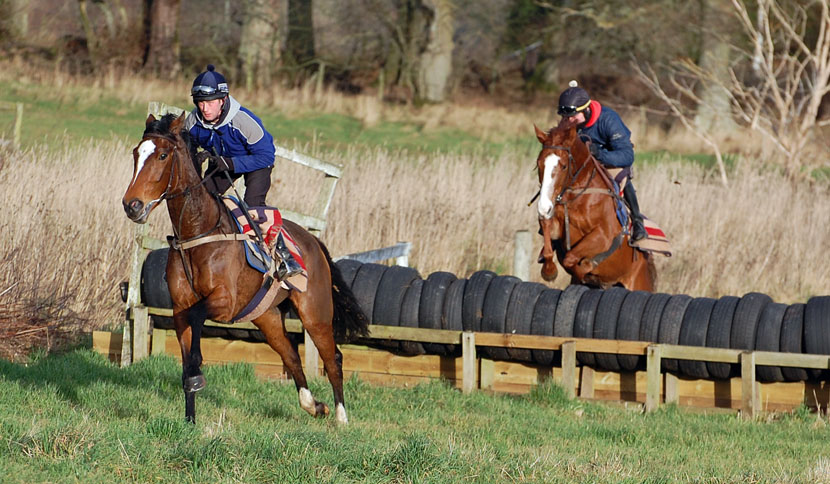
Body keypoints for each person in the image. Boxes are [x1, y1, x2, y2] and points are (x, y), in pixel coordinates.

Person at [186, 64, 302, 278]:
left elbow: (266, 156)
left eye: (210, 102)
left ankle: (286, 257)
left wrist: (231, 164)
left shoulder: (244, 121)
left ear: (223, 100)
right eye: (200, 102)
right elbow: (189, 151)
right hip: (221, 161)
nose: (205, 108)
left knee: (253, 208)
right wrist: (196, 159)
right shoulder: (193, 122)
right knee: (202, 201)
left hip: (256, 162)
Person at [556, 80, 647, 242]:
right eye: (565, 117)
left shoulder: (608, 120)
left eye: (572, 117)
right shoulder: (569, 121)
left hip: (610, 162)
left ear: (587, 111)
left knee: (619, 178)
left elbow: (627, 155)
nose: (568, 121)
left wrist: (600, 154)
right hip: (581, 165)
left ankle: (637, 220)